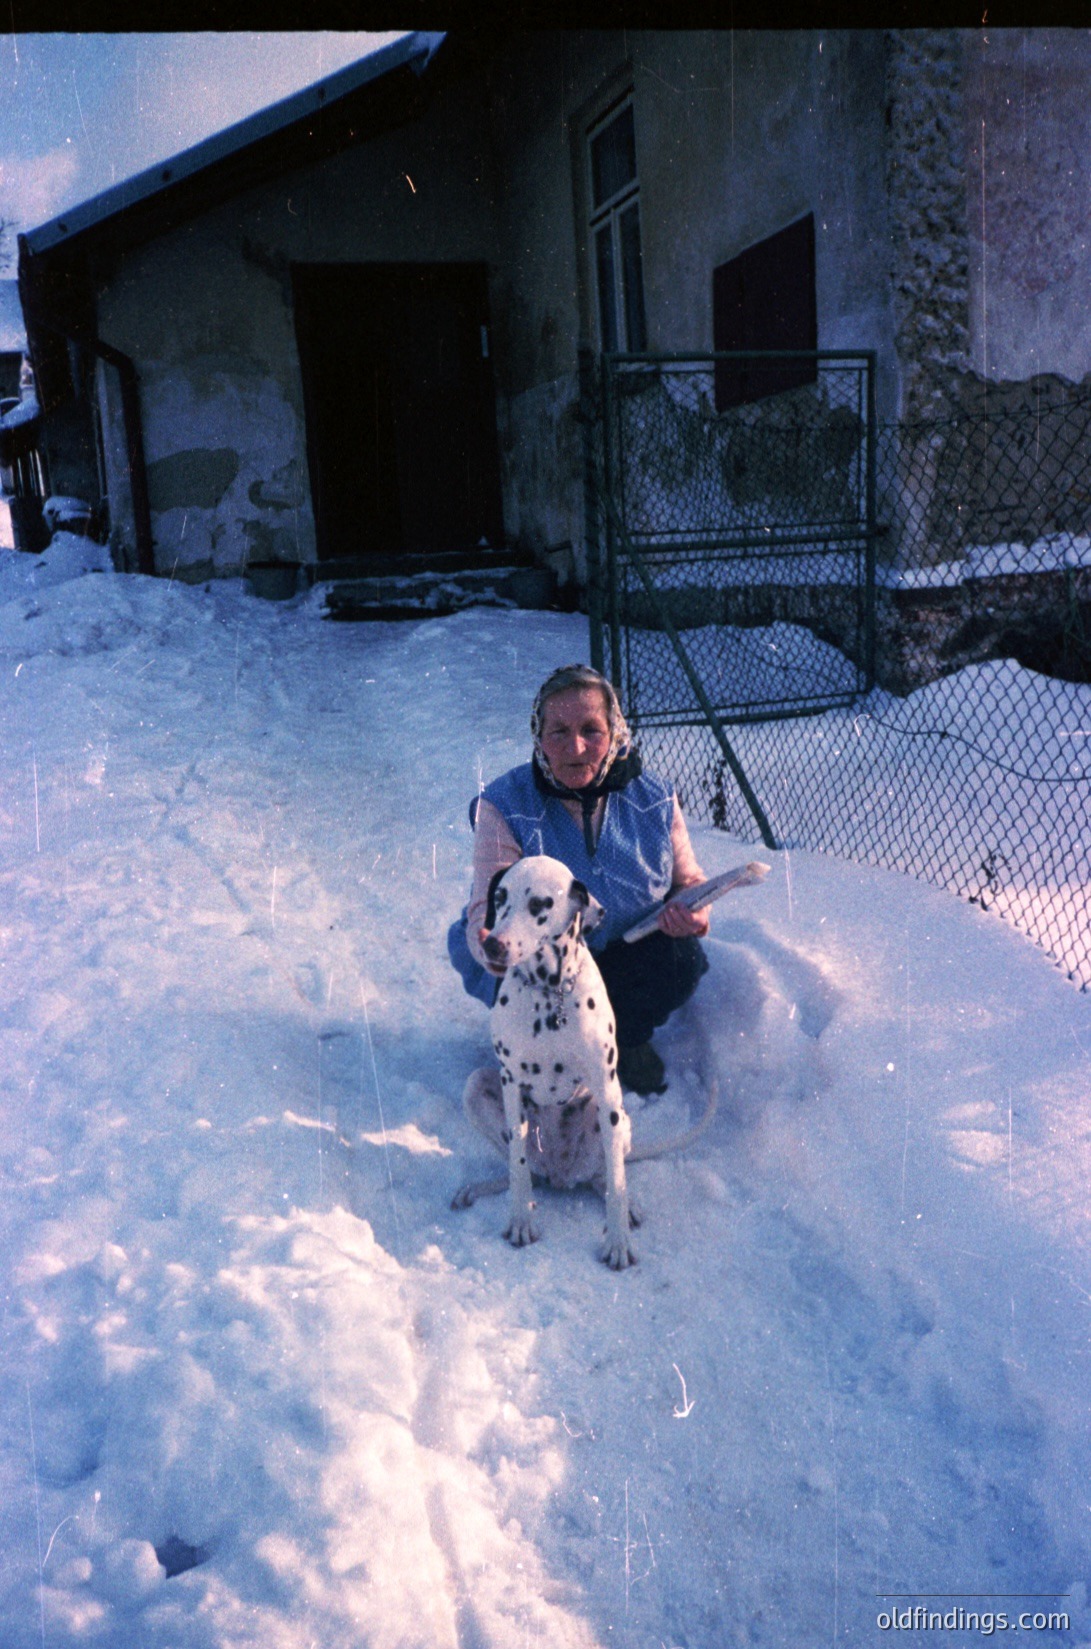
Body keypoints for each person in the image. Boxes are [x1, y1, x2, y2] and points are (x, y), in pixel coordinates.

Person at [448, 662, 709, 1096]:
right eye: (558, 732)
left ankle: (625, 1040)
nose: (577, 747)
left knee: (682, 958)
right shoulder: (503, 804)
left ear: (615, 733)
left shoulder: (656, 798)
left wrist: (694, 913)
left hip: (628, 952)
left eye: (592, 729)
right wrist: (492, 948)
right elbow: (487, 905)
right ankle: (543, 1054)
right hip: (542, 961)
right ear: (539, 736)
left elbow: (689, 880)